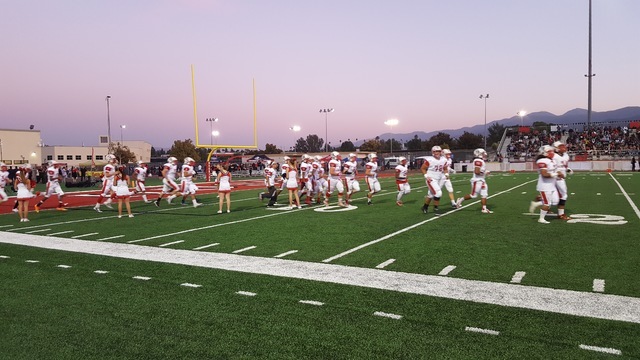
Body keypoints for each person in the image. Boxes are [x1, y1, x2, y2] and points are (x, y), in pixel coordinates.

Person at [456, 148, 493, 213]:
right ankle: (460, 200)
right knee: (473, 196)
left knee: (484, 194)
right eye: (483, 153)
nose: (485, 154)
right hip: (477, 180)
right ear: (480, 154)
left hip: (482, 180)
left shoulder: (480, 161)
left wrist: (485, 172)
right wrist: (485, 173)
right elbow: (476, 171)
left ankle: (484, 209)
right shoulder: (478, 161)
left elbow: (480, 171)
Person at [533, 145, 560, 224]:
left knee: (555, 201)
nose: (552, 152)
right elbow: (544, 174)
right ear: (544, 153)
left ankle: (537, 202)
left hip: (552, 185)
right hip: (545, 186)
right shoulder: (542, 161)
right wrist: (555, 175)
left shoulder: (552, 160)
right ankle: (541, 219)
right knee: (547, 203)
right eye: (549, 151)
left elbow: (555, 170)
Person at [420, 146, 448, 215]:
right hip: (431, 178)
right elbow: (423, 168)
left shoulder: (444, 159)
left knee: (431, 195)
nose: (436, 153)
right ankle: (436, 209)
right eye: (435, 151)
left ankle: (425, 207)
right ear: (432, 152)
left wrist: (446, 174)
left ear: (441, 152)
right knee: (438, 193)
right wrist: (426, 176)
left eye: (438, 151)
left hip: (439, 178)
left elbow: (445, 168)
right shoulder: (430, 159)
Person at [552, 141, 572, 220]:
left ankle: (540, 200)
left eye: (563, 146)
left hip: (560, 177)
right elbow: (551, 167)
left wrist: (568, 170)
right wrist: (557, 173)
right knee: (564, 195)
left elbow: (564, 166)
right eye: (561, 146)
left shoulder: (566, 156)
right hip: (557, 178)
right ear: (556, 148)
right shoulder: (554, 156)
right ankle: (561, 214)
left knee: (554, 196)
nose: (563, 148)